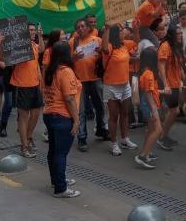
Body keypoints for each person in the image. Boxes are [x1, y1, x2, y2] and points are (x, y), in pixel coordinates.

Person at [43, 41, 83, 198]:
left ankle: (57, 180)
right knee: (60, 153)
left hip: (49, 113)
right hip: (62, 116)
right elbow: (69, 98)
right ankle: (61, 188)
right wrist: (77, 120)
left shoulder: (49, 71)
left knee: (53, 151)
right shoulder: (66, 72)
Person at [70, 18, 108, 151]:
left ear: (88, 28)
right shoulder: (73, 42)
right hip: (80, 82)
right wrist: (74, 58)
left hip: (96, 79)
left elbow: (106, 56)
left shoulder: (97, 40)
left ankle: (101, 129)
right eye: (78, 27)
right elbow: (67, 61)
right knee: (81, 111)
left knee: (100, 107)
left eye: (83, 26)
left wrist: (101, 53)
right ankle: (82, 137)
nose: (80, 28)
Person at [101, 24, 137, 155]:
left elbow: (136, 44)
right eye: (122, 31)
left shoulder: (123, 46)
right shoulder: (109, 46)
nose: (124, 32)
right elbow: (104, 48)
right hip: (111, 86)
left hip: (125, 85)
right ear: (116, 33)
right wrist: (107, 29)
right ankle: (114, 143)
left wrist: (137, 28)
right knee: (113, 116)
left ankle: (125, 139)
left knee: (125, 113)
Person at [12, 22, 45, 158]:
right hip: (22, 85)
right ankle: (24, 146)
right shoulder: (19, 46)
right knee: (24, 116)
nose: (32, 32)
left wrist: (39, 35)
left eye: (33, 30)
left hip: (35, 84)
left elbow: (42, 49)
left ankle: (28, 137)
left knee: (36, 113)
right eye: (30, 30)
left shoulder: (34, 45)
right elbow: (7, 59)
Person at [134, 47, 164, 169]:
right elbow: (149, 94)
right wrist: (155, 112)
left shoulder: (144, 73)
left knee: (151, 129)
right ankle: (143, 155)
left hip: (147, 104)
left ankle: (147, 152)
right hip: (150, 105)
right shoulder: (149, 74)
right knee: (158, 129)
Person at [157, 26, 185, 151]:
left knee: (174, 111)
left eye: (181, 33)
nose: (180, 35)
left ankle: (164, 135)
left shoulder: (176, 47)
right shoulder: (165, 46)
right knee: (174, 111)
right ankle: (162, 137)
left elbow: (179, 67)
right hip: (168, 84)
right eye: (178, 33)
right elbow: (161, 67)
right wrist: (165, 84)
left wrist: (184, 80)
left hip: (175, 83)